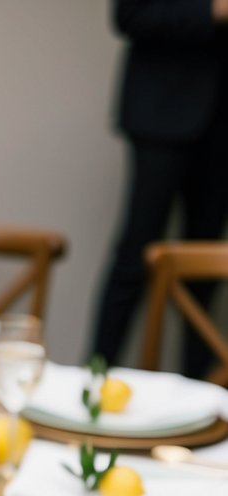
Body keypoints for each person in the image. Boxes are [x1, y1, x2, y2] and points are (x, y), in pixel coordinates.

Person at [90, 0, 228, 379]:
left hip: (222, 121)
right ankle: (95, 382)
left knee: (205, 268)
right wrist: (214, 11)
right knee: (135, 255)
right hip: (163, 109)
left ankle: (203, 401)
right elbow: (130, 14)